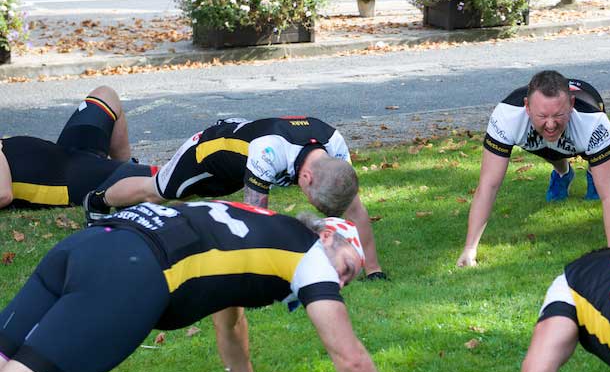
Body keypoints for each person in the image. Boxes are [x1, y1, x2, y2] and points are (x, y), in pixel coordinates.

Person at [0, 200, 413, 372]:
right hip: (133, 267)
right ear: (327, 236)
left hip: (92, 242)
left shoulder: (262, 230)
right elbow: (349, 356)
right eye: (346, 268)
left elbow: (229, 312)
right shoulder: (311, 255)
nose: (339, 283)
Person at [85, 116, 388, 280]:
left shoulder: (335, 147)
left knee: (170, 195)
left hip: (240, 157)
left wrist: (373, 270)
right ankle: (98, 200)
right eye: (312, 199)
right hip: (208, 152)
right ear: (306, 179)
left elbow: (355, 209)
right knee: (160, 191)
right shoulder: (269, 152)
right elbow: (253, 218)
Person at [456, 70, 610, 267]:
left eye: (558, 115)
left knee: (598, 172)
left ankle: (592, 172)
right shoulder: (507, 115)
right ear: (527, 107)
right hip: (542, 144)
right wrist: (470, 249)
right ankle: (563, 173)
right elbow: (488, 185)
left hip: (584, 124)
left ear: (571, 105)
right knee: (550, 149)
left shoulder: (593, 121)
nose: (551, 124)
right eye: (543, 116)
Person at [0, 85, 156, 210]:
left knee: (106, 94)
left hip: (66, 152)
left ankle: (127, 167)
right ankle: (126, 176)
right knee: (165, 178)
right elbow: (3, 194)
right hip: (72, 179)